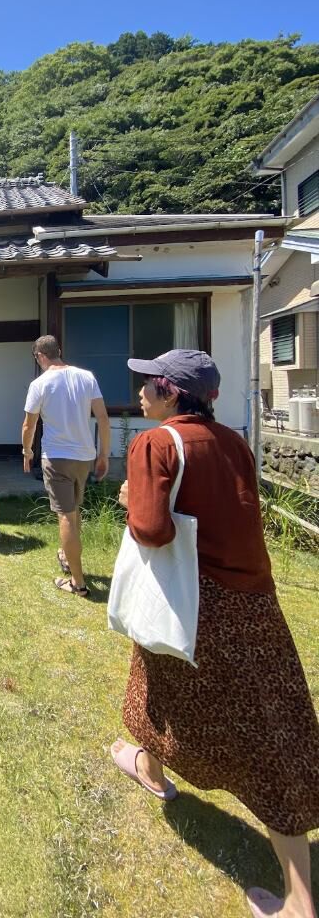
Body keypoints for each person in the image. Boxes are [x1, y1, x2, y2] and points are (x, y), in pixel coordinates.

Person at [111, 349, 319, 918]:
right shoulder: (234, 441)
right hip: (253, 601)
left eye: (148, 385)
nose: (141, 393)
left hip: (190, 601)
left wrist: (131, 502)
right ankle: (151, 768)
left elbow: (151, 530)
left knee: (163, 686)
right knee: (271, 731)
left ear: (172, 393)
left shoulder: (154, 444)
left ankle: (301, 906)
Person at [21, 334, 110, 597]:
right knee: (73, 511)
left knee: (66, 516)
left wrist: (27, 450)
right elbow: (103, 419)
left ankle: (78, 583)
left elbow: (29, 424)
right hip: (84, 455)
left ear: (40, 356)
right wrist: (104, 454)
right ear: (58, 351)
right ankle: (66, 554)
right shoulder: (86, 377)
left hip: (57, 456)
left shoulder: (40, 383)